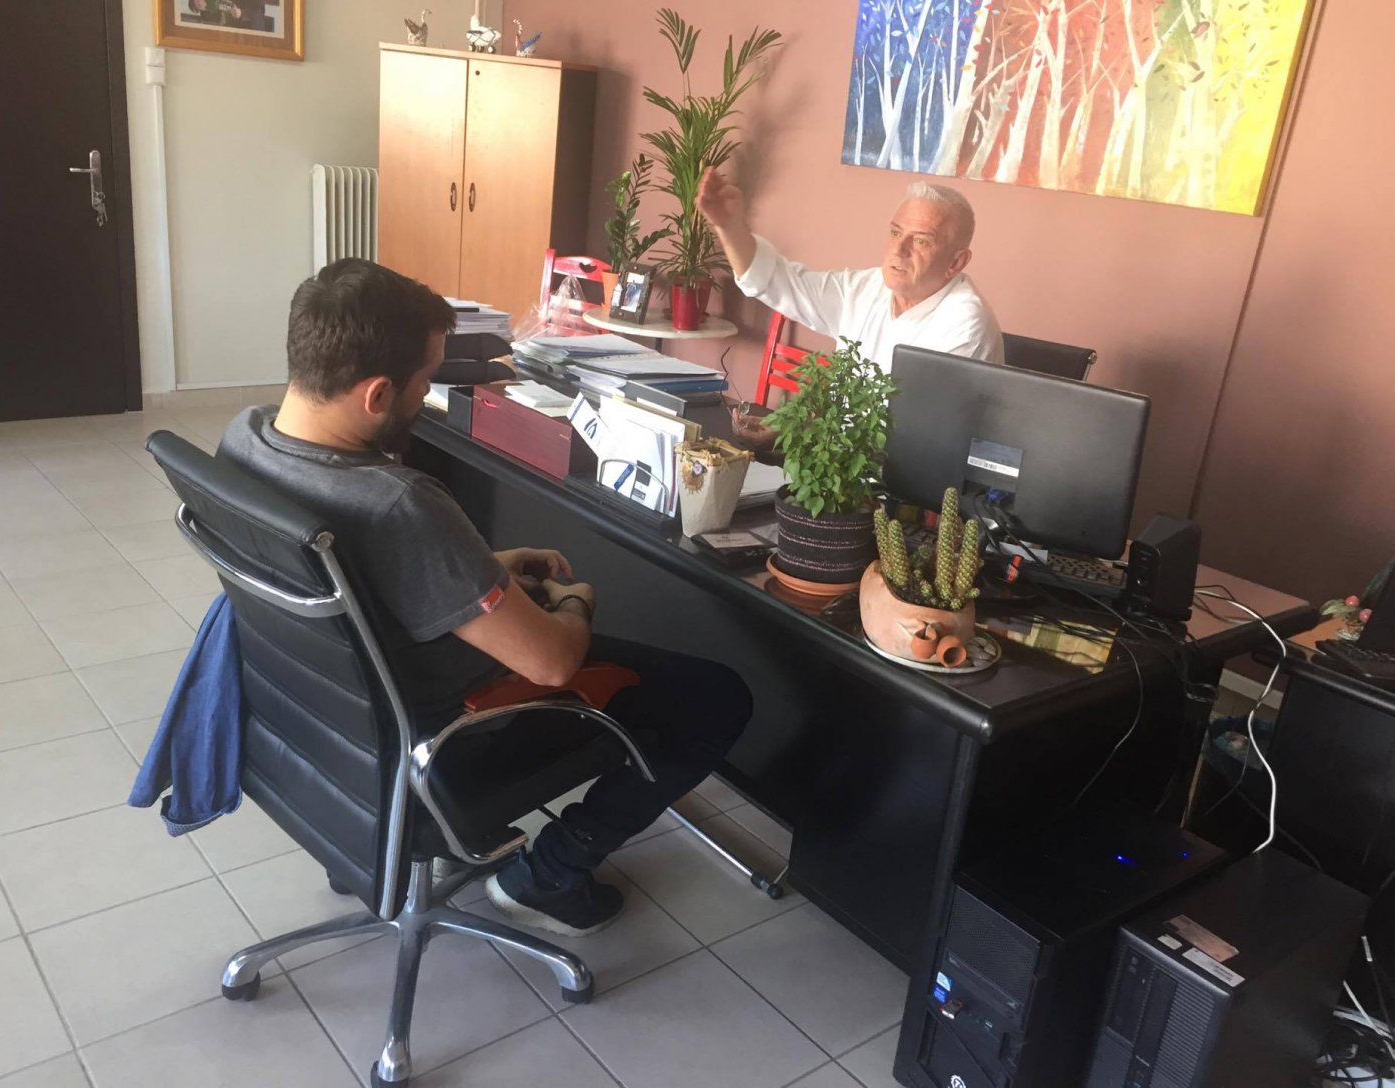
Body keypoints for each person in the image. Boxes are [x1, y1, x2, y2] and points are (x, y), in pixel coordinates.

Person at [218, 258, 751, 936]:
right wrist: (575, 600)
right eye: (425, 381)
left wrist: (482, 571)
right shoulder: (400, 505)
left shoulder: (245, 437)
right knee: (716, 697)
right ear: (377, 394)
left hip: (322, 727)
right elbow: (553, 664)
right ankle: (548, 876)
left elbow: (359, 581)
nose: (427, 394)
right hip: (448, 737)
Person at [696, 168, 1003, 444]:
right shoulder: (869, 287)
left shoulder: (966, 325)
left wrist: (799, 431)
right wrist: (729, 226)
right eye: (896, 232)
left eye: (921, 240)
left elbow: (909, 437)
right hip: (841, 460)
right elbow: (783, 283)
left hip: (904, 481)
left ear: (956, 262)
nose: (899, 249)